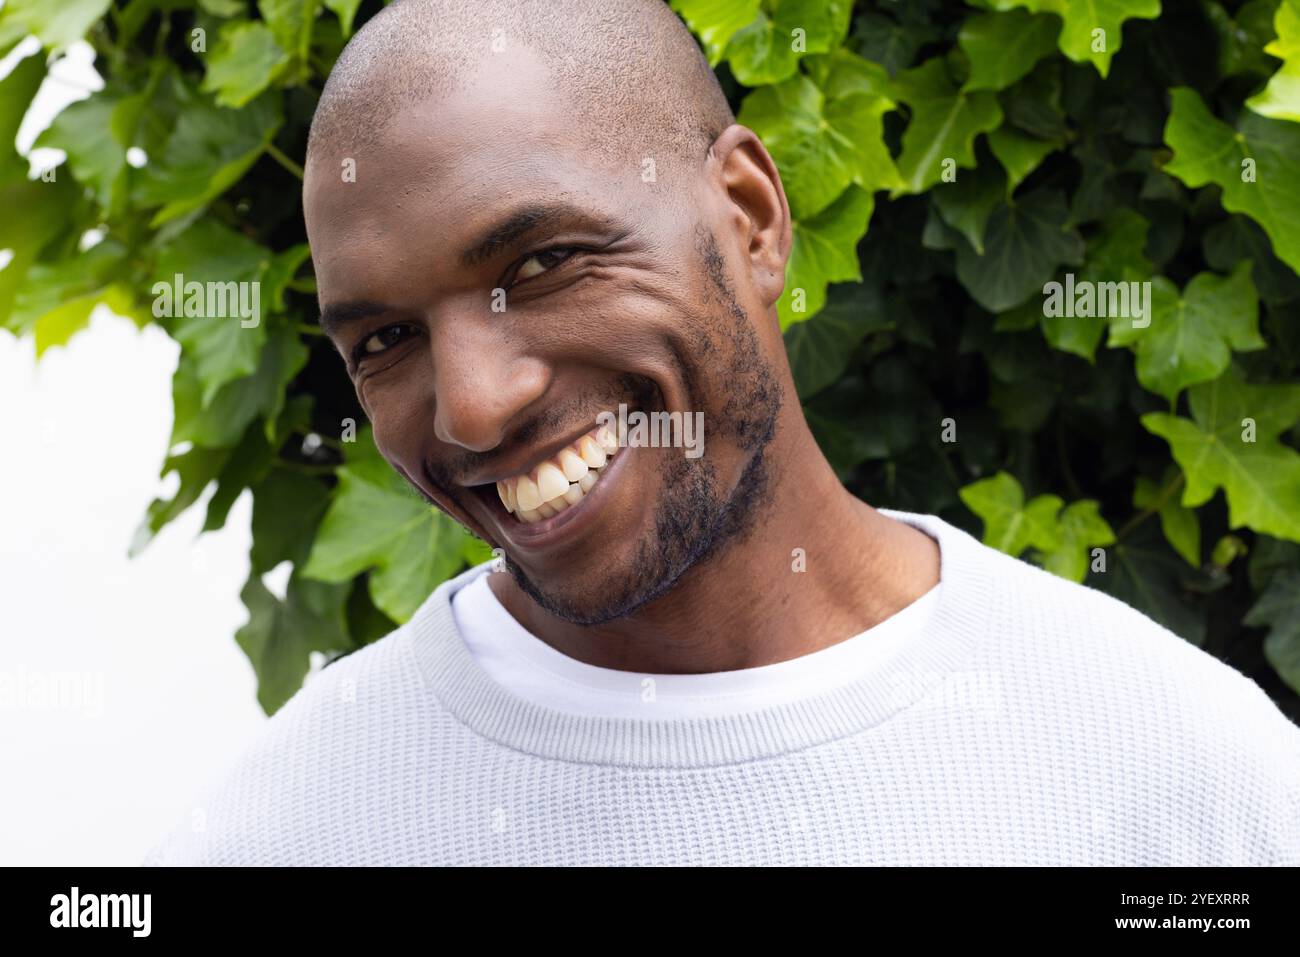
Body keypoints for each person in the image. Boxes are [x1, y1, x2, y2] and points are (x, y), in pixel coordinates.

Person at [143, 0, 1300, 865]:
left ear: (747, 219)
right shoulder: (293, 824)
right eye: (385, 340)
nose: (476, 405)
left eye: (541, 264)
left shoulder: (1176, 768)